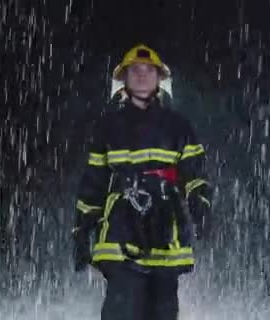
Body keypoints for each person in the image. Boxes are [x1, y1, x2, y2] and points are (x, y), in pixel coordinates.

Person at [71, 44, 213, 320]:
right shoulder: (107, 126)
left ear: (160, 77)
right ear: (124, 78)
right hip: (119, 228)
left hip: (165, 225)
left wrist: (200, 206)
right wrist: (81, 230)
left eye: (149, 70)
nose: (142, 75)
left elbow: (195, 174)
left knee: (162, 309)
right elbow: (93, 182)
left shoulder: (178, 126)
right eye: (135, 70)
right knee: (121, 308)